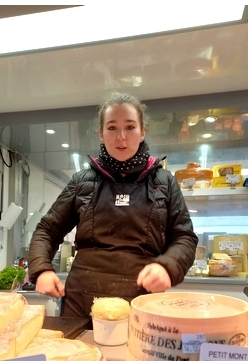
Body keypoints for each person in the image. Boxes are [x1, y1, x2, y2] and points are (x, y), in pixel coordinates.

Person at [28, 92, 198, 321]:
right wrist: (42, 269)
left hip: (142, 299)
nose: (121, 137)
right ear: (101, 133)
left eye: (129, 127)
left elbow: (184, 236)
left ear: (142, 131)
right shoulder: (81, 181)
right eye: (111, 128)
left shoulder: (164, 181)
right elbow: (47, 230)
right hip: (81, 302)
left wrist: (168, 266)